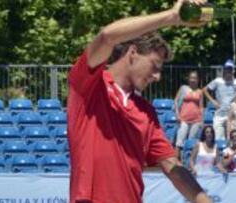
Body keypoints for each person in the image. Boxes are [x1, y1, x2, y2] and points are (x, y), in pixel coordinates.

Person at [67, 0, 212, 202]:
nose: (157, 76)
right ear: (133, 52)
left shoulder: (146, 112)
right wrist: (172, 16)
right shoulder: (89, 86)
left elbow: (174, 170)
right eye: (155, 65)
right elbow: (107, 36)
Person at [203, 59, 236, 140]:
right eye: (227, 68)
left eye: (230, 69)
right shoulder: (217, 81)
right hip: (219, 115)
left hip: (233, 116)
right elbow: (205, 90)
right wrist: (213, 101)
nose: (228, 71)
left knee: (233, 139)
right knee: (218, 140)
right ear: (224, 69)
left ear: (233, 70)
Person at [174, 70, 204, 160]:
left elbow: (201, 106)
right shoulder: (183, 88)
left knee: (191, 142)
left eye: (195, 78)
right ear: (188, 79)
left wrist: (202, 119)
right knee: (179, 142)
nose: (193, 80)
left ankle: (188, 161)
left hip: (196, 120)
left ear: (198, 80)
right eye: (191, 78)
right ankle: (176, 163)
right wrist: (177, 115)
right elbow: (175, 101)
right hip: (183, 119)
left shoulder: (200, 92)